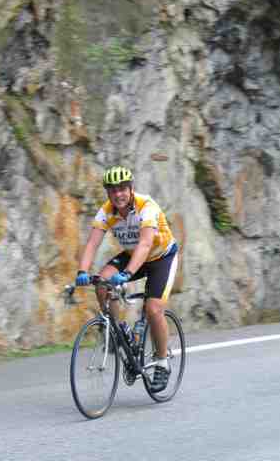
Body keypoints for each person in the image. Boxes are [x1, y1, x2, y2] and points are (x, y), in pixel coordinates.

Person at [75, 165, 179, 392]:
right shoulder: (106, 211)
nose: (118, 194)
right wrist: (82, 272)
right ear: (107, 194)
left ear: (131, 189)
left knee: (153, 310)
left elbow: (145, 244)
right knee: (102, 283)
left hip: (161, 257)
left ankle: (162, 363)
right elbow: (92, 243)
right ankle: (119, 331)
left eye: (122, 188)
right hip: (133, 255)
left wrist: (128, 274)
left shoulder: (147, 206)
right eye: (112, 190)